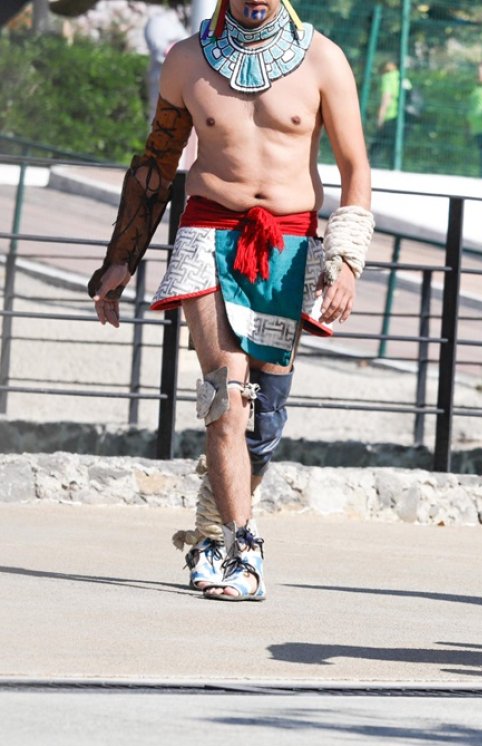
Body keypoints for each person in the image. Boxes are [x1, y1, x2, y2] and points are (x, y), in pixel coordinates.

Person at [88, 0, 374, 602]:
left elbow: (355, 168)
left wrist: (346, 260)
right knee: (226, 396)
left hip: (290, 245)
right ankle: (245, 546)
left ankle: (209, 535)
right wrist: (122, 258)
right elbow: (157, 164)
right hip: (205, 234)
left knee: (263, 422)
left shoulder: (324, 59)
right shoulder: (185, 61)